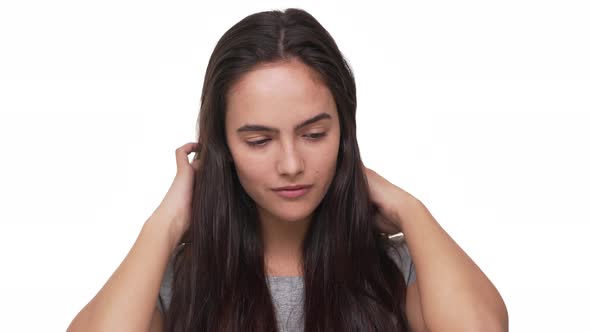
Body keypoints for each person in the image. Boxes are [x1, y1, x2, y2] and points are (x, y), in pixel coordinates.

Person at [67, 8, 508, 332]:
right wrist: (164, 224)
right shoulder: (175, 279)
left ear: (345, 134)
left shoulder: (401, 268)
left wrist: (412, 210)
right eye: (259, 141)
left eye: (314, 135)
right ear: (222, 147)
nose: (292, 165)